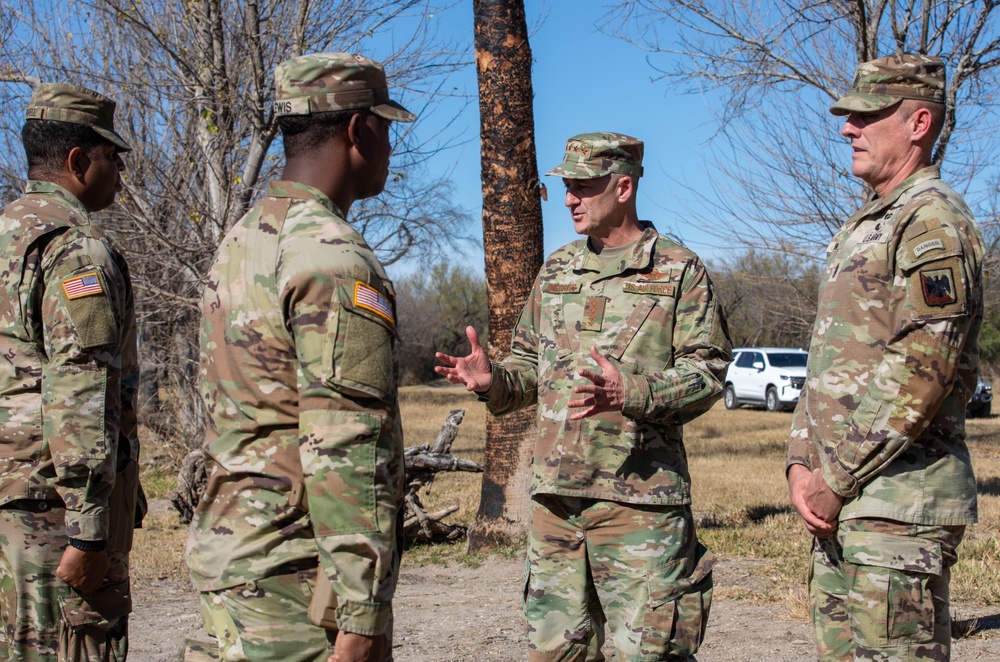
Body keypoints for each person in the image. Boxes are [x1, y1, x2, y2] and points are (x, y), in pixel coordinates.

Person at [436, 132, 732, 661]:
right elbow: (530, 366)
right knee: (556, 653)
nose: (569, 199)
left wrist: (634, 391)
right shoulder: (557, 270)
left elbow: (708, 371)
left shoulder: (677, 269)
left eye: (583, 187)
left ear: (623, 187)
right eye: (566, 186)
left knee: (647, 653)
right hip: (555, 503)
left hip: (639, 501)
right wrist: (494, 381)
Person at [185, 53, 414, 662]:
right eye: (386, 129)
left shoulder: (241, 241)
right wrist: (362, 614)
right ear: (358, 129)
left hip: (235, 559)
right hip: (296, 580)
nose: (389, 147)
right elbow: (346, 442)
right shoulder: (334, 257)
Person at [786, 53, 984, 661]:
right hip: (850, 504)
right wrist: (799, 459)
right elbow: (829, 358)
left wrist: (836, 478)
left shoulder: (932, 222)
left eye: (867, 115)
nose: (848, 127)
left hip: (898, 505)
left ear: (919, 124)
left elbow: (922, 369)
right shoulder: (866, 223)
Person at [0, 83, 143, 660]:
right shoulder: (74, 250)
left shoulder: (9, 237)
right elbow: (80, 383)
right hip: (50, 514)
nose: (121, 174)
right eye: (114, 157)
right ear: (78, 161)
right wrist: (88, 527)